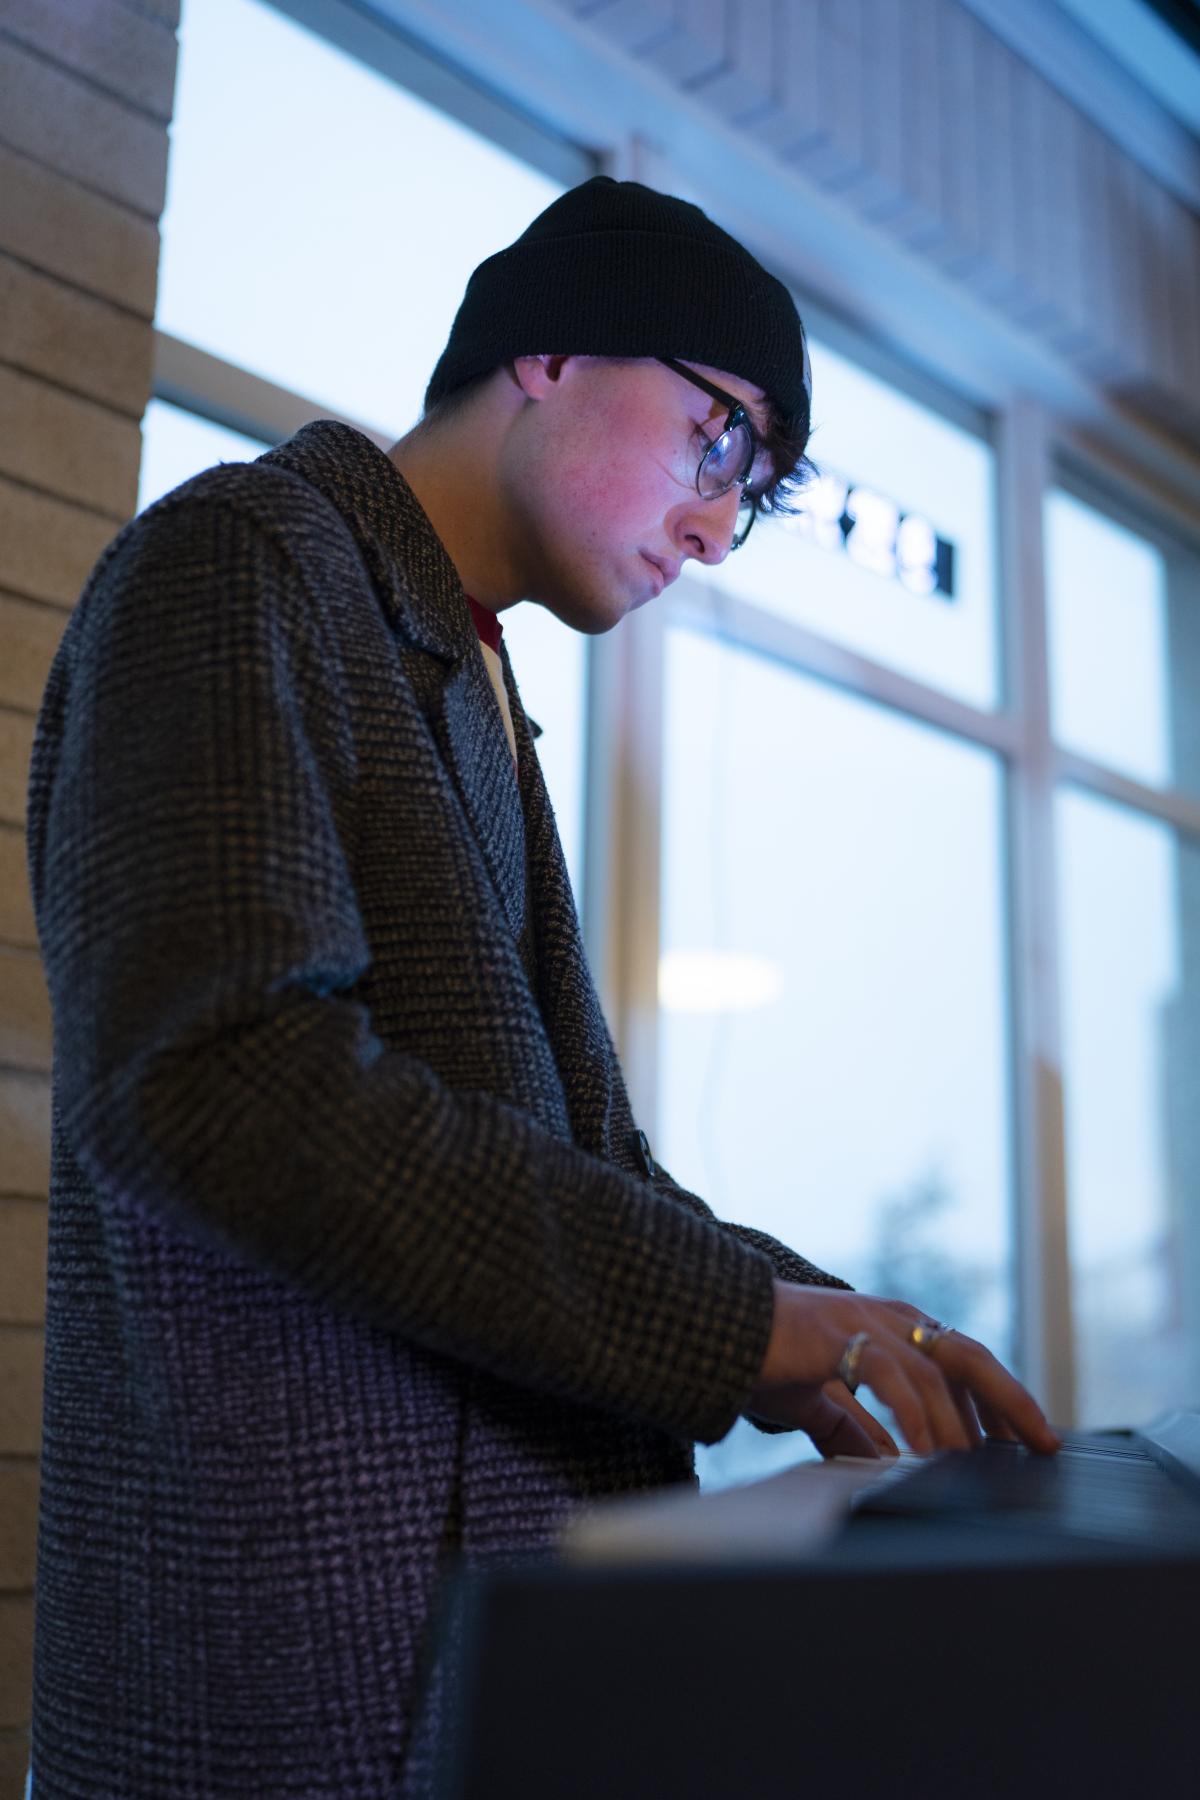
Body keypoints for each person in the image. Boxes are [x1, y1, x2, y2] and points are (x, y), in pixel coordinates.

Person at [26, 176, 1058, 1799]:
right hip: (294, 1685)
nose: (723, 522)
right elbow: (218, 1078)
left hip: (460, 1658)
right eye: (723, 437)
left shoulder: (470, 672)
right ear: (550, 354)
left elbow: (582, 1175)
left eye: (761, 489)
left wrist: (840, 1323)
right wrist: (744, 1333)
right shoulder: (240, 562)